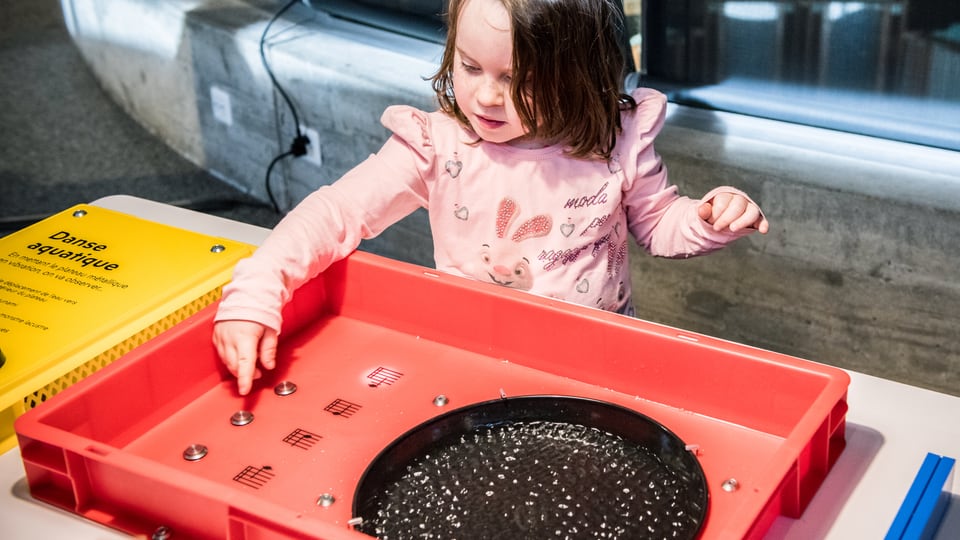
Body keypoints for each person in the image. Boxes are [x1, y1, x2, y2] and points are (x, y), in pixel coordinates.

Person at [213, 0, 769, 395]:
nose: (483, 94)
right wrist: (259, 287)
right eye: (470, 66)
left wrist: (707, 218)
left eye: (516, 77)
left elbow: (657, 224)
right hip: (472, 358)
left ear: (579, 74)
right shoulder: (437, 144)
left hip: (600, 361)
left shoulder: (614, 139)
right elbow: (336, 212)